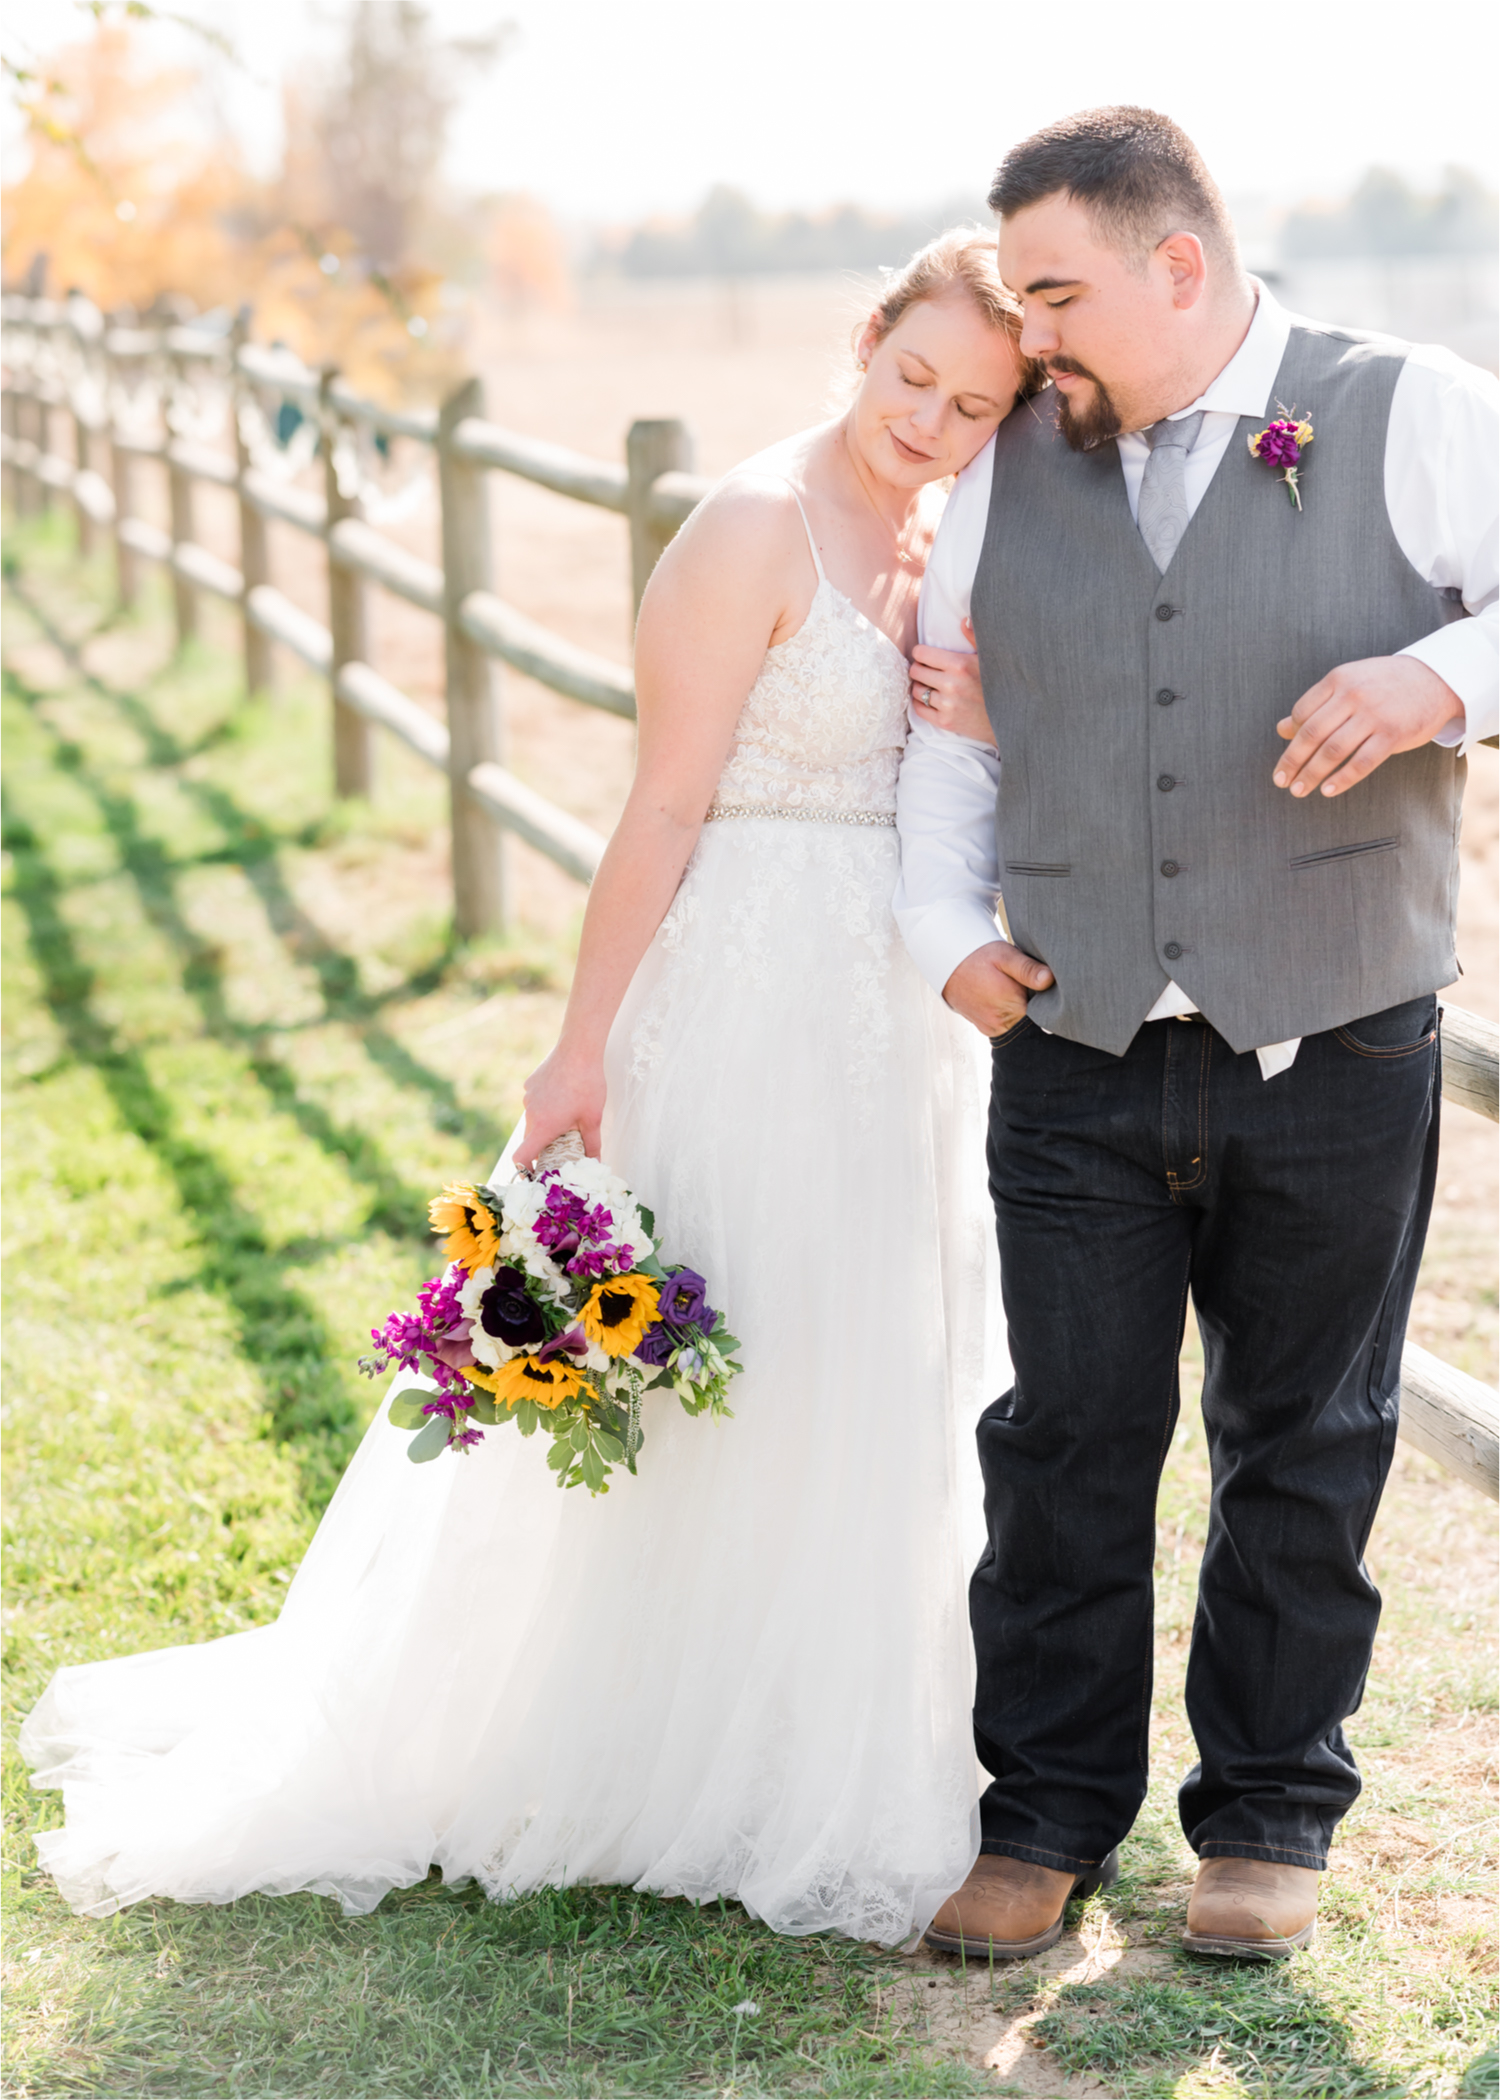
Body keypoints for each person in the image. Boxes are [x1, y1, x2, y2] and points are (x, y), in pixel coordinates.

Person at [22, 230, 1029, 1947]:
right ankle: (644, 1739)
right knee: (738, 1350)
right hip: (745, 987)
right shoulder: (750, 527)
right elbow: (659, 809)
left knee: (862, 1352)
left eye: (972, 403)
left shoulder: (936, 532)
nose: (928, 419)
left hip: (889, 1010)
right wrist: (581, 1042)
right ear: (863, 340)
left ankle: (826, 1733)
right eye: (910, 374)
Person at [896, 107, 1498, 1963]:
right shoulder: (1019, 453)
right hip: (1073, 1045)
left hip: (1338, 1034)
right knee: (1065, 1436)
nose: (1035, 334)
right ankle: (1047, 1817)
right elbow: (956, 727)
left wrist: (1437, 679)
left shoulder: (1414, 407)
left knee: (1307, 1438)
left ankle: (1269, 1823)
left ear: (1182, 262)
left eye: (1060, 291)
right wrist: (941, 931)